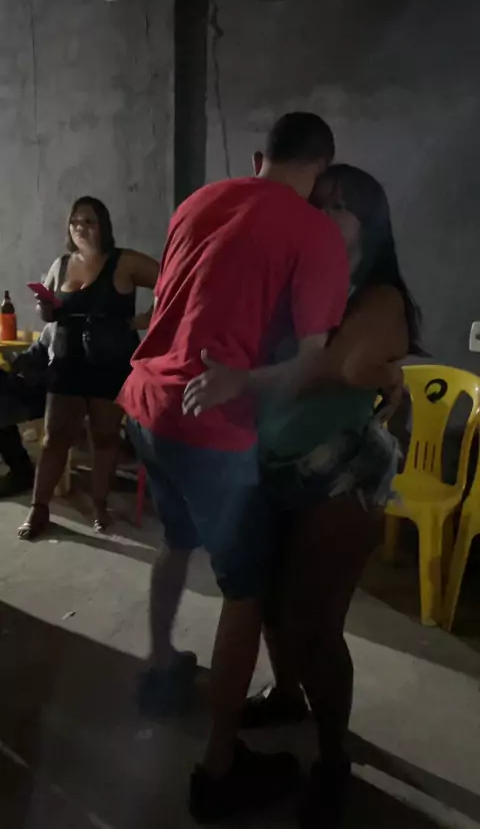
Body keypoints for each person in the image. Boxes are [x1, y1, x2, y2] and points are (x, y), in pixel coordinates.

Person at [118, 113, 350, 822]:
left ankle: (162, 665)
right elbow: (309, 364)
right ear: (322, 168)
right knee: (246, 593)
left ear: (259, 157)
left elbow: (179, 303)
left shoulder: (199, 200)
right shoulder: (315, 233)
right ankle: (219, 768)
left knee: (175, 542)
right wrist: (244, 381)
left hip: (146, 404)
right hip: (212, 426)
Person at [184, 164, 421, 828]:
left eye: (338, 207)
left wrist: (244, 379)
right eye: (316, 203)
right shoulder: (296, 275)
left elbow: (333, 367)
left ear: (370, 226)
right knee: (269, 606)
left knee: (313, 627)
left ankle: (334, 758)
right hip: (274, 465)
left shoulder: (380, 295)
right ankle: (288, 695)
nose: (320, 215)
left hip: (341, 474)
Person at [18, 197, 159, 540]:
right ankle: (39, 508)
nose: (80, 227)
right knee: (55, 438)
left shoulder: (124, 261)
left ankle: (99, 505)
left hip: (110, 363)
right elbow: (50, 315)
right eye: (75, 221)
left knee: (105, 438)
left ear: (103, 226)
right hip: (67, 362)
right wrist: (45, 308)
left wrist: (144, 320)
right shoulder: (62, 264)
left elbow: (173, 280)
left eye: (88, 221)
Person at [0, 328, 53, 497]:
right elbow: (38, 349)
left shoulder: (77, 326)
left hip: (55, 392)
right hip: (34, 383)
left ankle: (21, 472)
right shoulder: (57, 325)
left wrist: (29, 376)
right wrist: (18, 364)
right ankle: (21, 470)